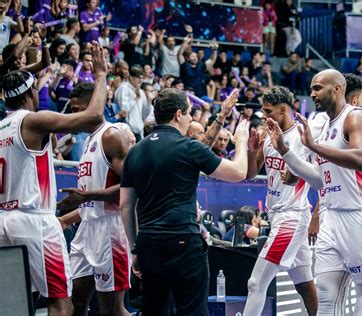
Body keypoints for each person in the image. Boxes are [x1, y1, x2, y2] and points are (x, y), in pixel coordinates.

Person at [120, 88, 250, 315]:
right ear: (178, 114)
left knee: (155, 311)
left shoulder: (135, 152)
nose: (191, 118)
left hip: (149, 243)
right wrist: (241, 141)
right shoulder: (188, 147)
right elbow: (239, 172)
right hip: (182, 242)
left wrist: (135, 249)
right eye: (190, 113)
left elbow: (126, 206)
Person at [0, 42, 107, 316]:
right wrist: (101, 76)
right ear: (31, 93)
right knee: (61, 303)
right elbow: (93, 116)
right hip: (34, 219)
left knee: (12, 305)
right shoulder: (34, 121)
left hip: (3, 220)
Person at [287, 69, 362, 315]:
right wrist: (285, 151)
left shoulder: (356, 117)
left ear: (337, 88)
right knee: (327, 295)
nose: (312, 94)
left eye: (318, 88)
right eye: (311, 88)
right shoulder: (325, 128)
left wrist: (314, 146)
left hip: (361, 216)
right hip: (333, 216)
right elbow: (321, 181)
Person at [55, 83, 131, 316]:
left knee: (112, 311)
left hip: (111, 230)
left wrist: (85, 196)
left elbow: (134, 185)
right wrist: (66, 217)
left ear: (91, 105)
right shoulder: (88, 140)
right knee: (75, 304)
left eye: (77, 108)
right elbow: (91, 201)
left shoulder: (110, 136)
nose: (74, 115)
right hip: (87, 228)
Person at [244, 86, 318, 316]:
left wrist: (316, 216)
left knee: (255, 283)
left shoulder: (302, 137)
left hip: (292, 216)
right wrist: (251, 150)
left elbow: (321, 175)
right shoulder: (267, 135)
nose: (265, 116)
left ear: (283, 109)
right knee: (304, 283)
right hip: (277, 213)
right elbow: (250, 172)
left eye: (269, 111)